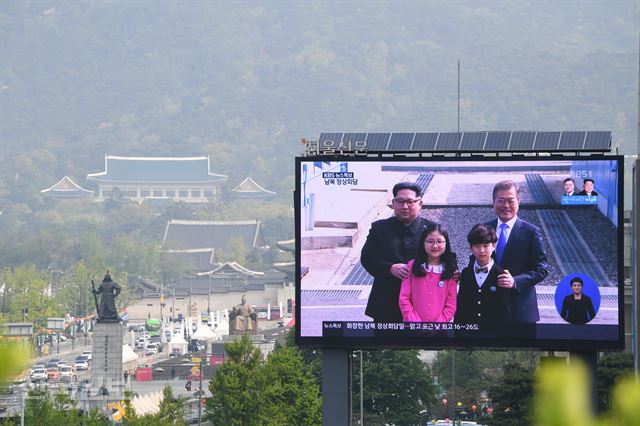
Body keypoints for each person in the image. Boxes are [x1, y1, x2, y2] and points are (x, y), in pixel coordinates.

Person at [362, 182, 435, 322]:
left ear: (420, 203)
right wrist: (390, 268)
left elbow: (445, 259)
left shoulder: (432, 229)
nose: (405, 206)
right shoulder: (380, 228)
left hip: (423, 301)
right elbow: (367, 258)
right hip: (386, 302)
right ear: (393, 203)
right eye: (400, 201)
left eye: (410, 201)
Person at [485, 180, 548, 324]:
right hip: (489, 308)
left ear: (518, 201)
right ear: (493, 202)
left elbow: (542, 269)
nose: (506, 205)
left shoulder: (531, 232)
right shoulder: (484, 228)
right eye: (501, 201)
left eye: (510, 200)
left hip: (520, 310)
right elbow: (475, 261)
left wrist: (515, 281)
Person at [455, 224, 510, 329]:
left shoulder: (501, 274)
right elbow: (461, 306)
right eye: (477, 246)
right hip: (468, 331)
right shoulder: (466, 273)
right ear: (471, 248)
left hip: (493, 332)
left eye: (486, 246)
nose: (481, 250)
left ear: (494, 246)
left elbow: (505, 310)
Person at [398, 223, 457, 322]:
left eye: (439, 241)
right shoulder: (412, 266)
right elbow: (404, 298)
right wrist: (415, 323)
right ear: (423, 243)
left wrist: (438, 325)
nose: (435, 246)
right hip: (413, 327)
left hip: (439, 330)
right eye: (430, 241)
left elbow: (451, 303)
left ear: (446, 243)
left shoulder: (450, 270)